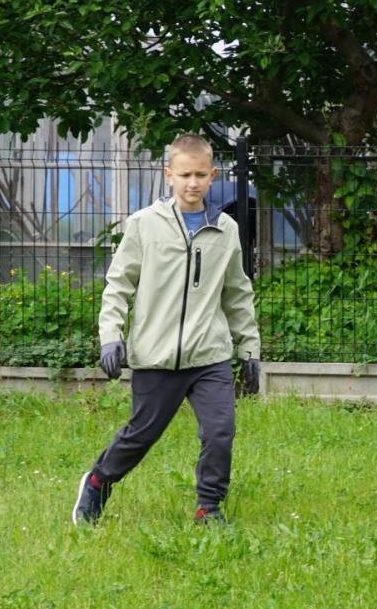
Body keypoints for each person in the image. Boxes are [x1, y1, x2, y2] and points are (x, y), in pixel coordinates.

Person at [73, 134, 261, 526]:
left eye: (200, 175)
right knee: (141, 435)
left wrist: (249, 351)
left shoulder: (225, 229)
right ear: (168, 176)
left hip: (209, 355)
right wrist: (111, 336)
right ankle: (97, 481)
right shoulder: (144, 225)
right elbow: (118, 285)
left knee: (220, 432)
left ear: (212, 175)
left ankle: (208, 508)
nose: (192, 183)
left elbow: (237, 293)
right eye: (184, 175)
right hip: (156, 356)